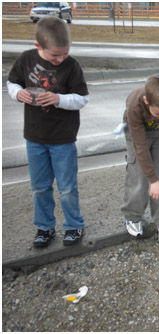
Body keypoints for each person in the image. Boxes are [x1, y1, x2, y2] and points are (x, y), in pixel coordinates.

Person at [6, 17, 89, 247]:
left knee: (67, 188)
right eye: (55, 55)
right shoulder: (26, 59)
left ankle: (74, 225)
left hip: (62, 138)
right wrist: (17, 93)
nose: (61, 59)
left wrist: (59, 99)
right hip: (34, 137)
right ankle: (44, 228)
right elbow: (12, 83)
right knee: (39, 186)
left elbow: (82, 99)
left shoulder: (71, 66)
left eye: (65, 52)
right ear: (38, 47)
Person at [121, 74, 159, 246]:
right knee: (139, 177)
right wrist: (152, 180)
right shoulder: (135, 106)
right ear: (147, 102)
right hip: (137, 133)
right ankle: (132, 216)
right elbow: (140, 148)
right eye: (158, 113)